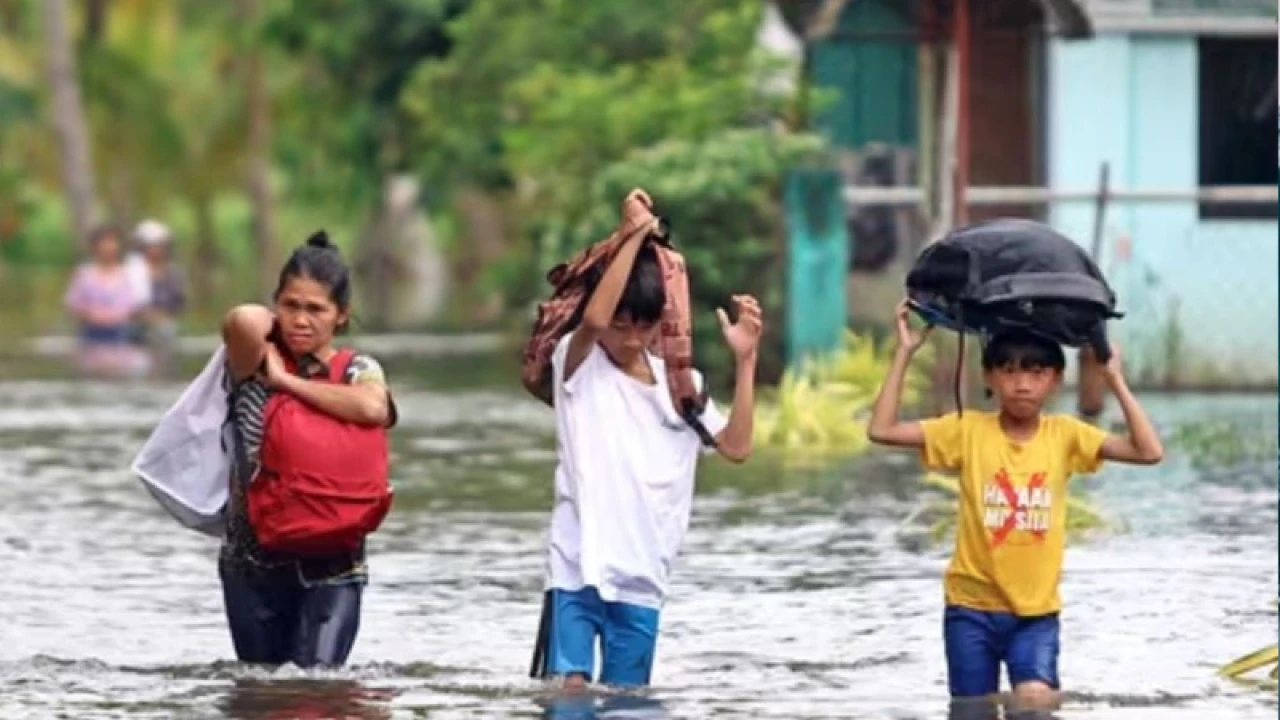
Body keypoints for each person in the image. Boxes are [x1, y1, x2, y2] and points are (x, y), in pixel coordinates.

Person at [867, 300, 1163, 715]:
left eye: (1036, 372)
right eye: (1009, 370)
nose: (1022, 383)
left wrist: (1113, 377)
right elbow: (882, 430)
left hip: (1036, 615)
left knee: (1035, 704)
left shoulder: (1065, 435)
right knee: (971, 710)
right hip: (970, 611)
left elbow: (1149, 452)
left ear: (1056, 380)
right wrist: (905, 352)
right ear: (990, 376)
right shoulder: (966, 430)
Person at [536, 234, 760, 692]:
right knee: (569, 693)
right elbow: (595, 318)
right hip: (576, 564)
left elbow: (736, 447)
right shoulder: (576, 366)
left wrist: (746, 362)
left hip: (642, 574)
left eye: (645, 326)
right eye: (621, 326)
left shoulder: (681, 386)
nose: (633, 339)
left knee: (627, 701)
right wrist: (634, 232)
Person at [217, 231, 397, 668]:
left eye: (316, 309)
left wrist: (288, 384)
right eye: (290, 305)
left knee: (318, 692)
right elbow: (242, 318)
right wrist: (272, 343)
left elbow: (374, 408)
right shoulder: (253, 361)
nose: (301, 320)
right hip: (253, 562)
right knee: (262, 693)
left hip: (333, 564)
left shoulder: (358, 369)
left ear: (341, 316)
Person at [64, 225, 143, 345]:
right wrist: (92, 314)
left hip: (121, 332)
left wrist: (116, 316)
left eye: (112, 242)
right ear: (94, 246)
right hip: (91, 331)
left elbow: (137, 306)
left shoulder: (129, 274)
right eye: (104, 242)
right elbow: (74, 305)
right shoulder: (84, 274)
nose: (109, 247)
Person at [132, 219, 187, 344]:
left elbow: (179, 302)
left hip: (167, 325)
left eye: (160, 245)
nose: (157, 249)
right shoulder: (133, 271)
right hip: (137, 327)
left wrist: (164, 317)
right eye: (152, 245)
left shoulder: (173, 273)